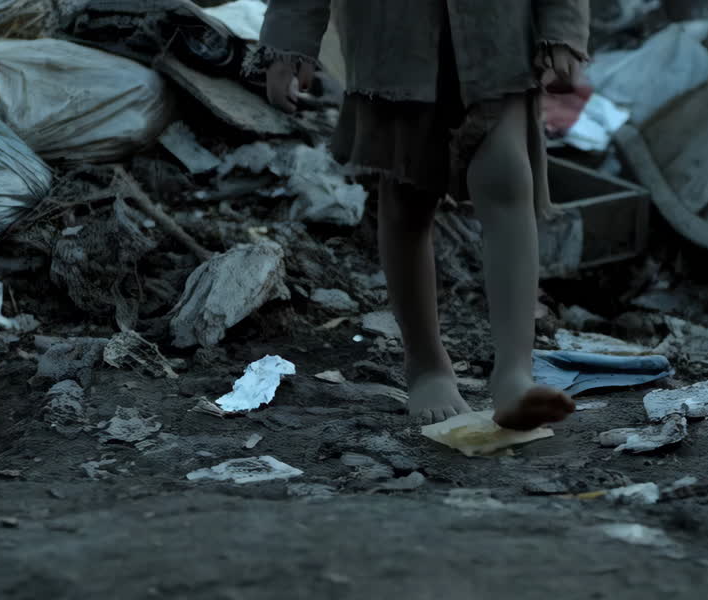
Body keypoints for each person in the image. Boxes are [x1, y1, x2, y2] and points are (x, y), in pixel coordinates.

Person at [252, 1, 590, 431]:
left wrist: (562, 29)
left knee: (506, 179)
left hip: (499, 36)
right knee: (408, 199)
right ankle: (427, 365)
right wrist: (287, 44)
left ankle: (515, 373)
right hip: (393, 41)